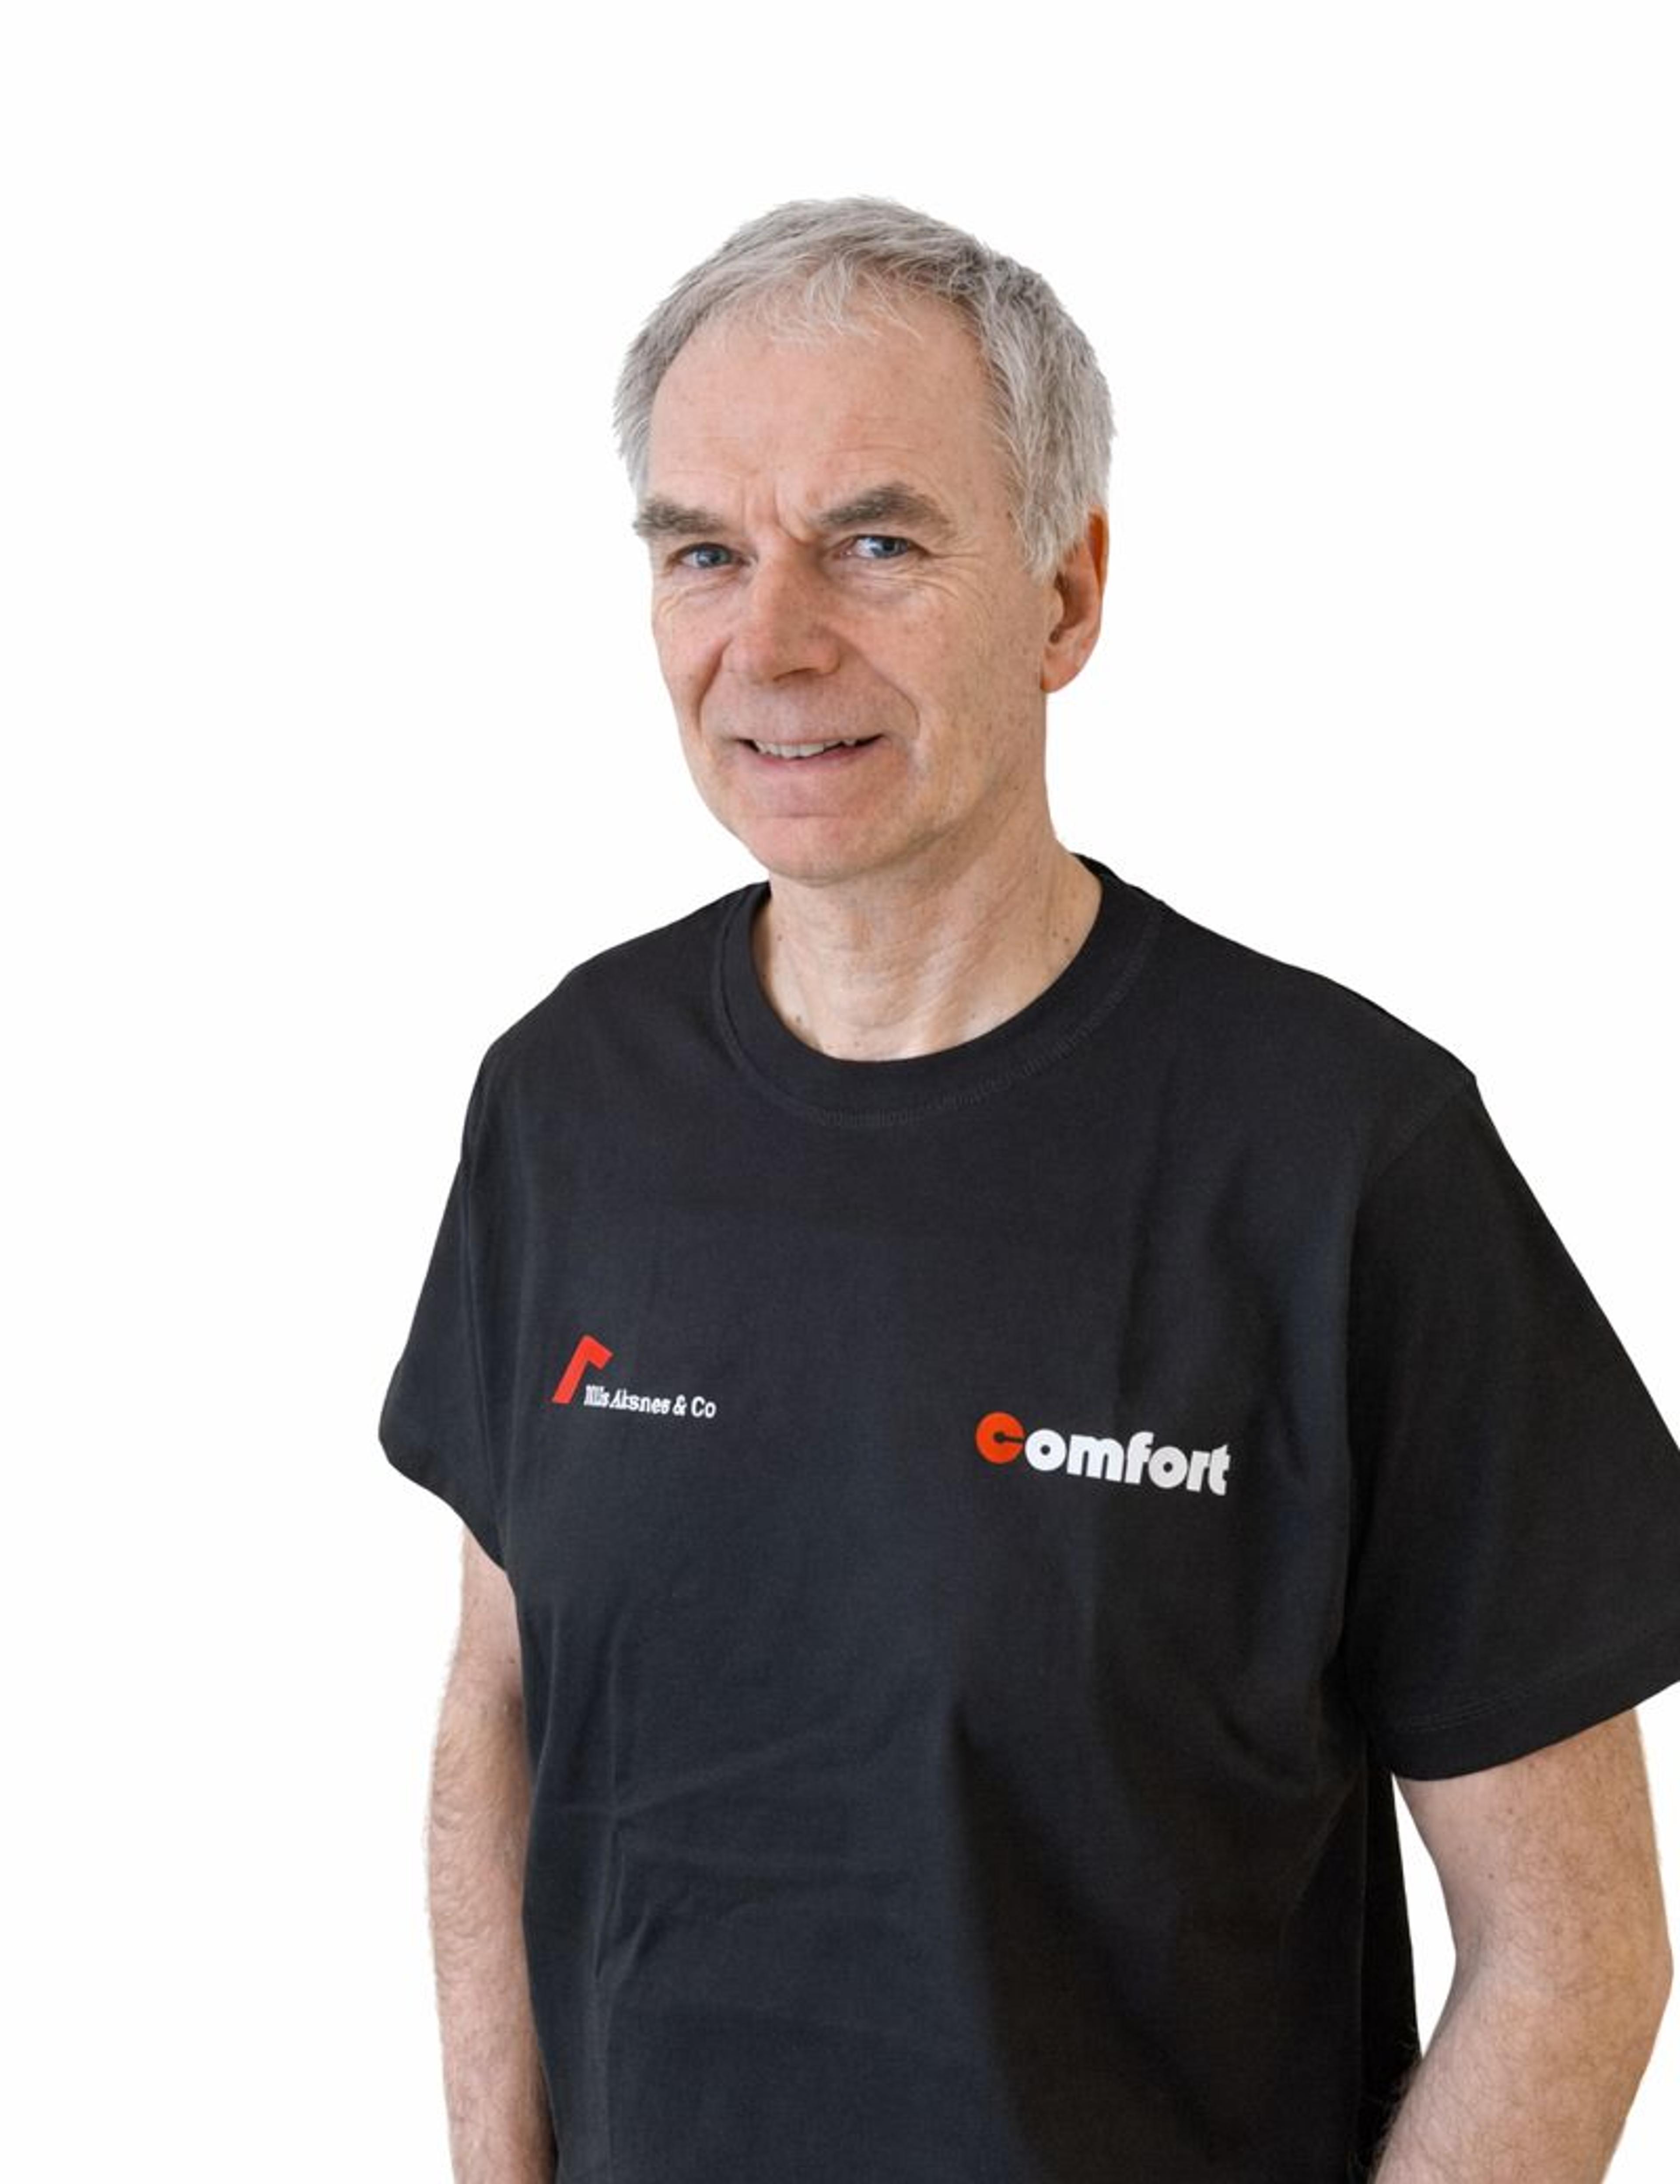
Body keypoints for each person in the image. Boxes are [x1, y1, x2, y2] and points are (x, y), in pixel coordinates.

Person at [379, 199, 1680, 2182]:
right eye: (705, 552)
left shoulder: (1345, 1160)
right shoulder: (566, 1099)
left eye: (876, 545)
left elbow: (1573, 1949)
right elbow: (499, 1710)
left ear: (1067, 597)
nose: (771, 642)